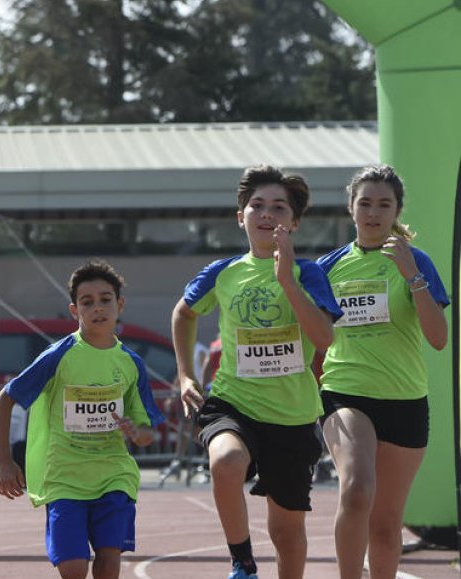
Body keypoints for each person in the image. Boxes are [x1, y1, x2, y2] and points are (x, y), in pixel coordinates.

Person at [172, 165, 341, 579]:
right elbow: (183, 313)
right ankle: (242, 562)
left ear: (294, 221)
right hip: (234, 402)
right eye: (257, 206)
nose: (267, 214)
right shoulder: (222, 273)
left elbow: (324, 339)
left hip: (292, 415)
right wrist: (184, 376)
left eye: (279, 208)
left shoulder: (309, 273)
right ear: (241, 216)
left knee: (286, 531)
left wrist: (286, 281)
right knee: (225, 461)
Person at [315, 165, 449, 579]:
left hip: (405, 400)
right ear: (351, 209)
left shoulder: (416, 261)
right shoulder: (327, 266)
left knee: (387, 526)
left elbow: (439, 337)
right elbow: (312, 334)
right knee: (356, 491)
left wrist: (412, 278)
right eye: (365, 203)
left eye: (383, 204)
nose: (373, 213)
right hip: (345, 392)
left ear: (396, 211)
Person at [0, 260, 164, 578]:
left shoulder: (131, 363)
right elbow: (6, 399)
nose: (97, 308)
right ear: (75, 310)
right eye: (87, 302)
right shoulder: (59, 355)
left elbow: (146, 432)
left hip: (113, 474)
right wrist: (4, 461)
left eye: (105, 299)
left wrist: (137, 433)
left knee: (109, 562)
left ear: (119, 304)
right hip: (64, 478)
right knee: (72, 568)